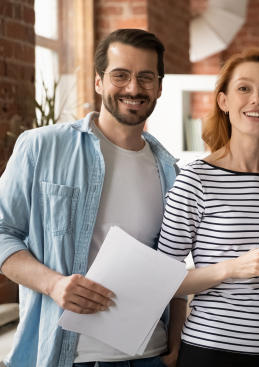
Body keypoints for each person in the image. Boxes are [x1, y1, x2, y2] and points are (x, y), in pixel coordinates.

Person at [0, 29, 185, 367]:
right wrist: (53, 284)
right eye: (120, 75)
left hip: (151, 356)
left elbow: (174, 268)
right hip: (67, 357)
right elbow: (1, 232)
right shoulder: (41, 147)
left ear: (159, 87)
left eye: (146, 77)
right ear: (99, 81)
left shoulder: (173, 171)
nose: (133, 88)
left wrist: (174, 349)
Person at [157, 48, 259, 367]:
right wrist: (233, 268)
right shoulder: (195, 180)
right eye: (244, 88)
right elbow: (161, 279)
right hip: (208, 352)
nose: (257, 99)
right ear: (223, 101)